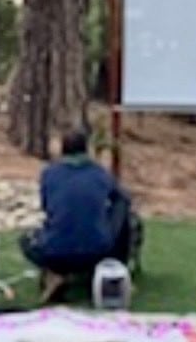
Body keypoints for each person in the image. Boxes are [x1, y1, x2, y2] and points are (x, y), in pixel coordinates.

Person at [20, 127, 135, 303]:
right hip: (98, 251)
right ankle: (116, 269)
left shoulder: (49, 174)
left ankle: (55, 274)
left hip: (54, 252)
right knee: (122, 204)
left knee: (25, 239)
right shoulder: (99, 174)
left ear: (62, 150)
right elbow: (121, 198)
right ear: (86, 149)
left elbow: (47, 207)